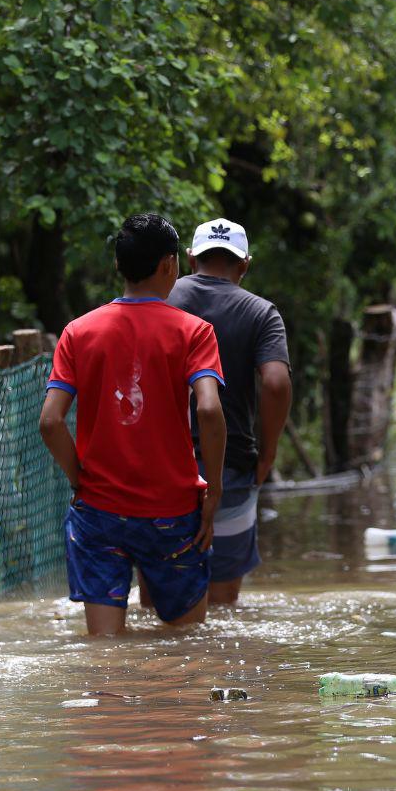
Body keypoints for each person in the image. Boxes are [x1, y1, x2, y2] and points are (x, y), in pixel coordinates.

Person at [39, 213, 227, 635]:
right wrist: (213, 491)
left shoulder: (77, 332)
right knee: (186, 647)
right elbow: (210, 410)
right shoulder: (194, 332)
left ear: (118, 267)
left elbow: (50, 422)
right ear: (169, 266)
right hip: (173, 511)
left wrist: (80, 480)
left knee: (105, 652)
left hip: (99, 511)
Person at [166, 218, 292, 604]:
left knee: (161, 599)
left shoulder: (160, 303)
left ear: (190, 259)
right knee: (222, 611)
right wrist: (267, 454)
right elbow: (275, 383)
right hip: (233, 464)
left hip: (162, 468)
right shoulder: (261, 312)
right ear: (244, 265)